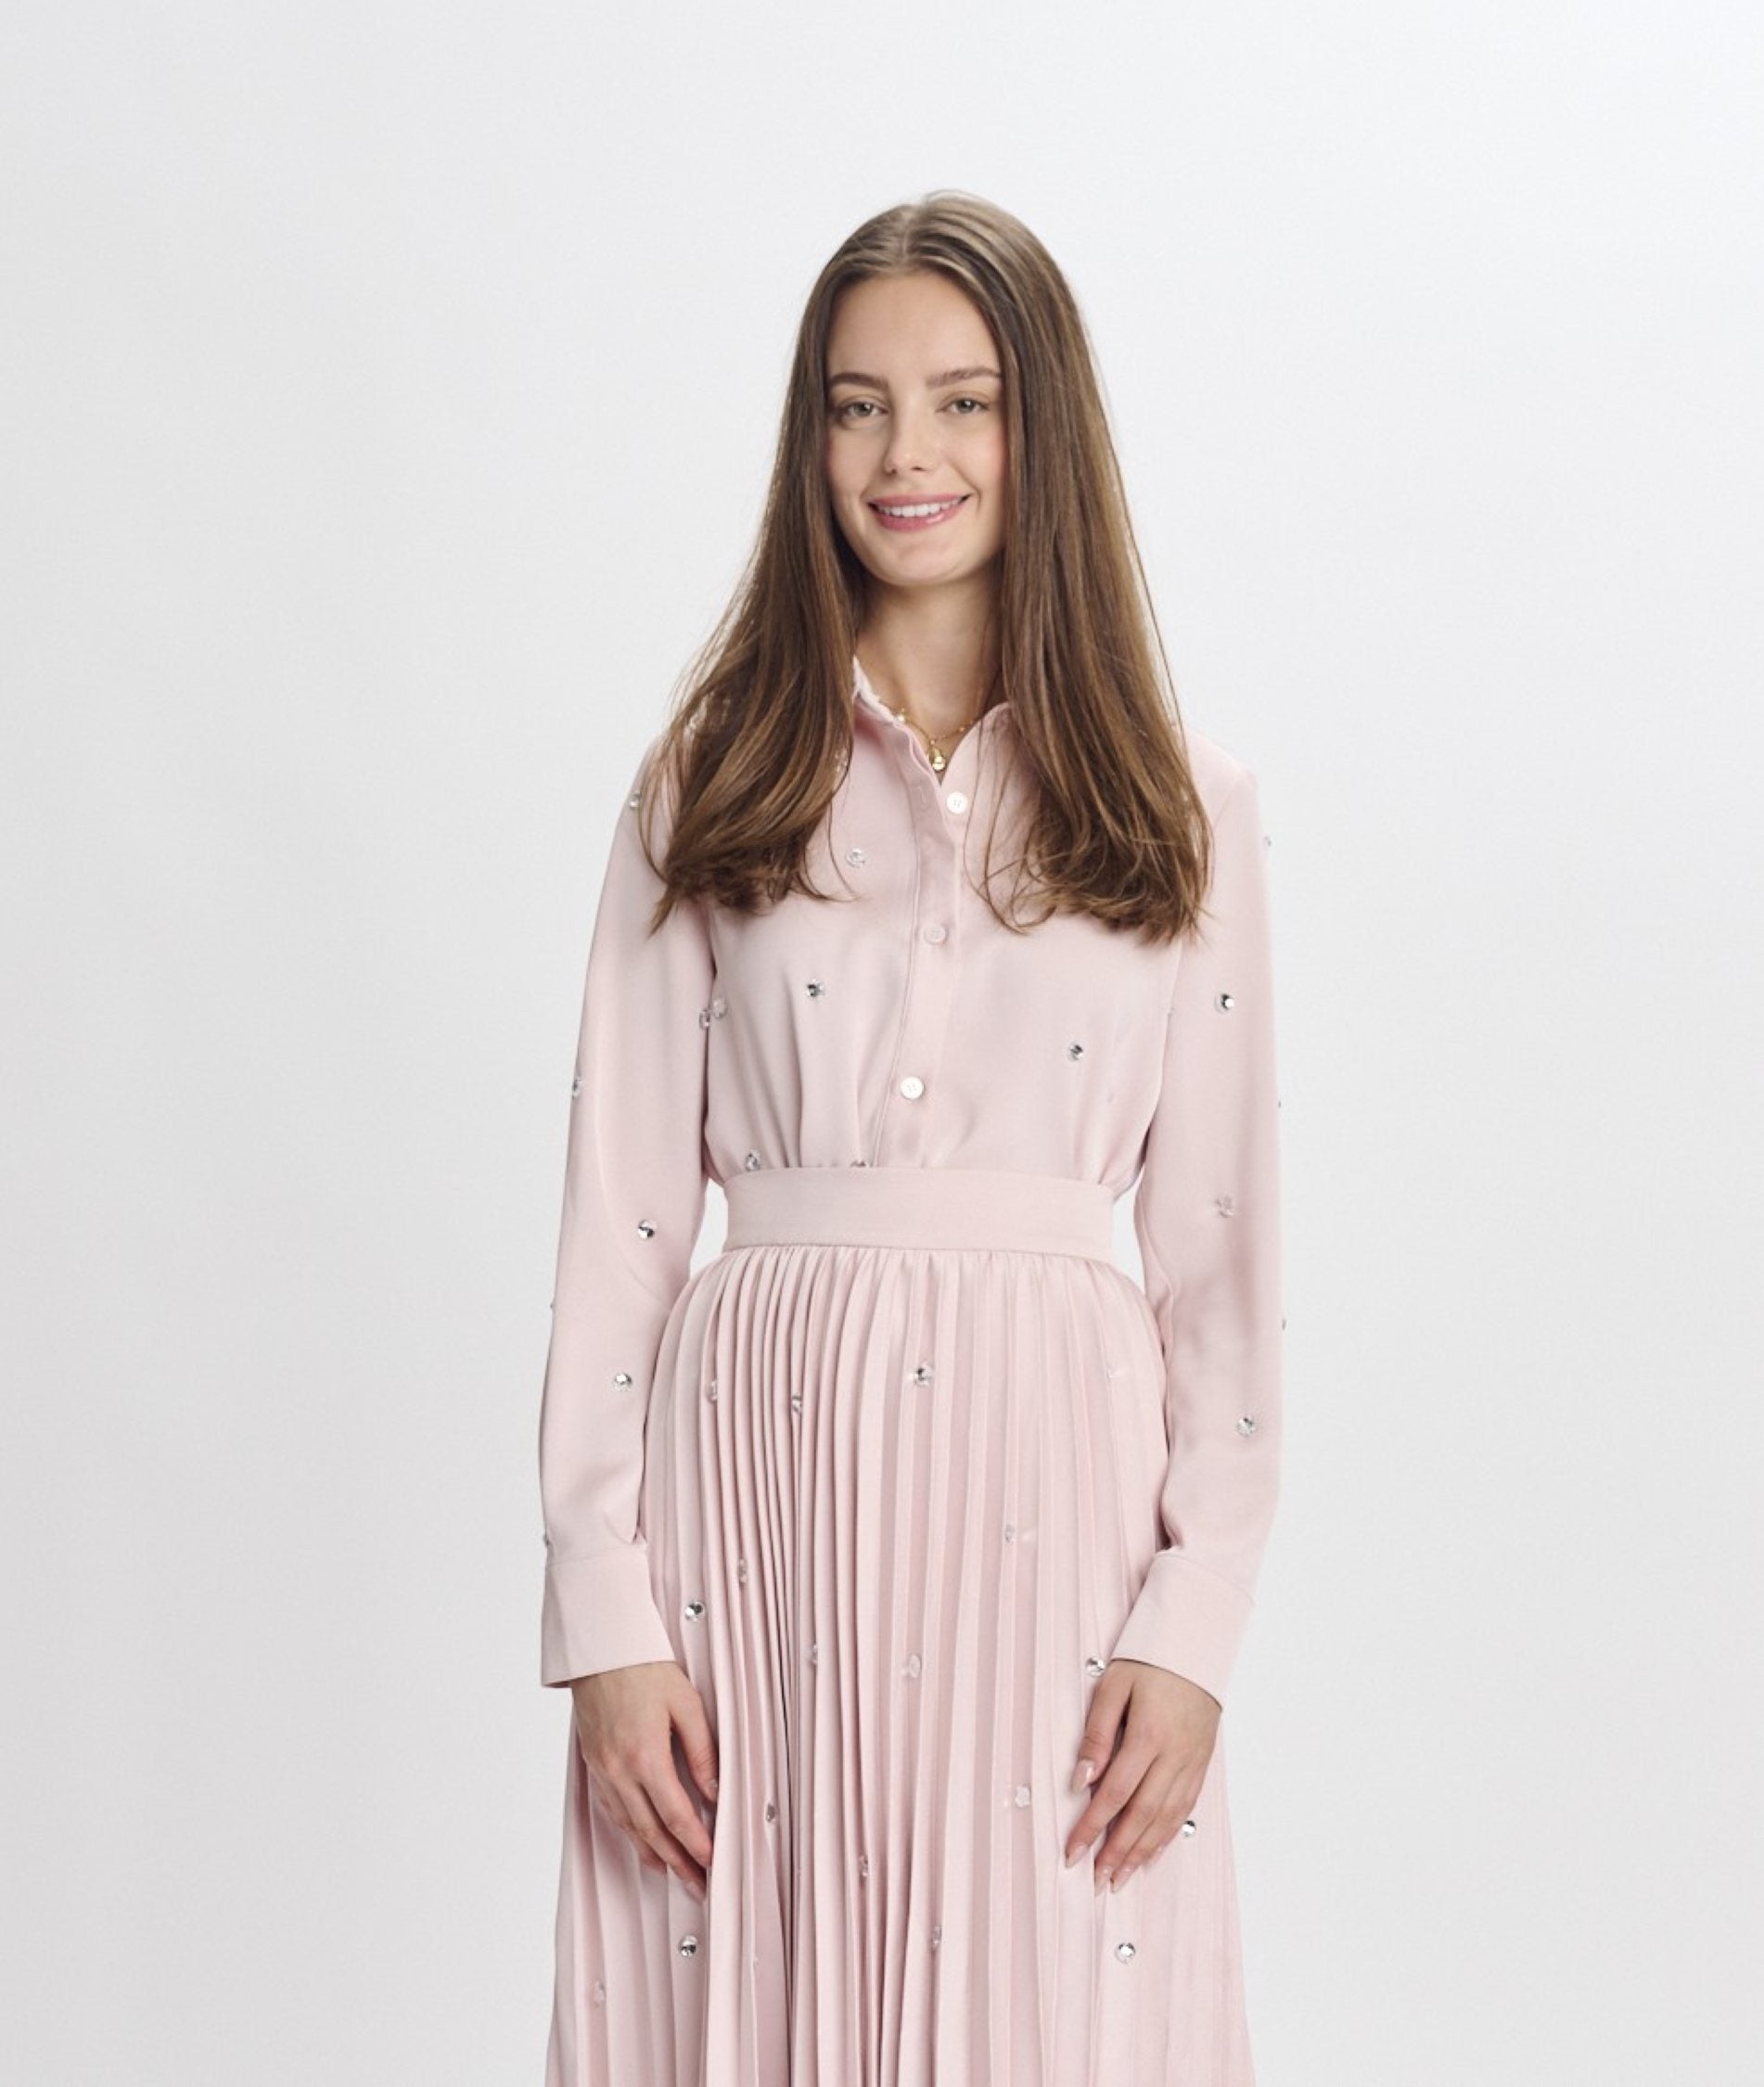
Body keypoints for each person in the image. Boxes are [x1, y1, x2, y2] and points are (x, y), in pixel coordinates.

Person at [535, 189, 1284, 2085]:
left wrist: (1192, 1621)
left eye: (963, 402)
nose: (906, 455)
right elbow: (617, 1235)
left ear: (1044, 431)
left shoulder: (1182, 810)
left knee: (1056, 1998)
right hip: (752, 1510)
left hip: (1061, 1510)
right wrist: (607, 1615)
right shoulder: (709, 784)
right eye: (857, 406)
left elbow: (1220, 1266)